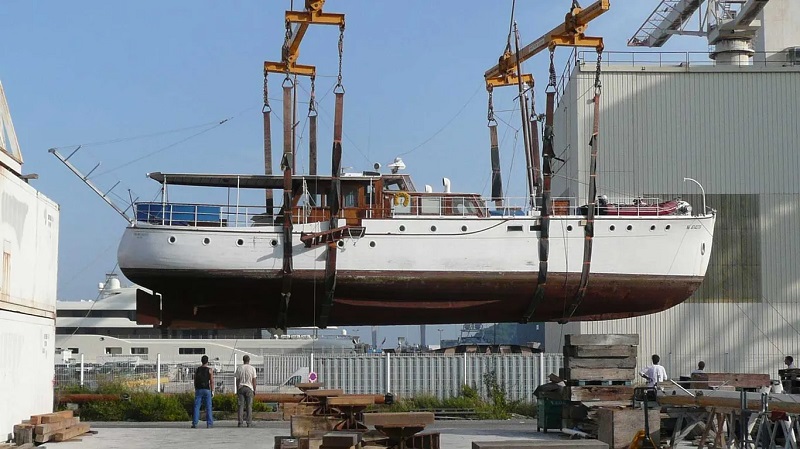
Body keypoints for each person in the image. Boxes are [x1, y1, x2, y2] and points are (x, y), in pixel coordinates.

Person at [234, 354, 257, 427]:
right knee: (249, 406)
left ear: (243, 360)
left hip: (241, 388)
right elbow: (254, 380)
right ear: (249, 360)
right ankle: (249, 422)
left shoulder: (239, 368)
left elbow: (237, 380)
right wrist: (254, 390)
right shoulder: (252, 368)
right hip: (249, 388)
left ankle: (240, 422)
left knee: (240, 406)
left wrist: (237, 389)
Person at [192, 355, 214, 429]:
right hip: (207, 389)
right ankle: (209, 423)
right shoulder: (209, 370)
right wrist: (213, 390)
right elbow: (212, 381)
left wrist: (195, 388)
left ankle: (195, 423)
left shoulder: (197, 369)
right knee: (208, 407)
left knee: (197, 406)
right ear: (207, 361)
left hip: (198, 389)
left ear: (201, 361)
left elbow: (195, 380)